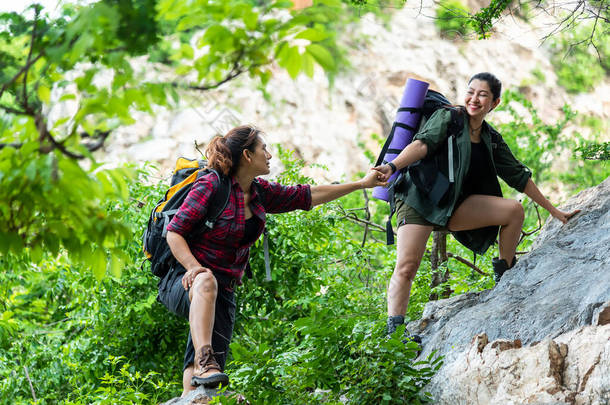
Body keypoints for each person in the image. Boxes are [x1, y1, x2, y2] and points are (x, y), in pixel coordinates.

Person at [157, 124, 387, 396]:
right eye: (263, 148)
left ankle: (190, 397)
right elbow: (174, 232)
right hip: (184, 281)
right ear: (247, 155)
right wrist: (194, 268)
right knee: (206, 290)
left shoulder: (259, 193)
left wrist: (361, 183)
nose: (269, 155)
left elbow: (308, 196)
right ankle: (204, 362)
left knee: (201, 370)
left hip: (224, 291)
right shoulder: (211, 184)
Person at [373, 72, 580, 341]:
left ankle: (505, 279)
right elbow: (422, 145)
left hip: (451, 206)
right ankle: (395, 334)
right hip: (418, 198)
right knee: (407, 266)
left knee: (513, 211)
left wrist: (555, 212)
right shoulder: (449, 117)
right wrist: (392, 166)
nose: (474, 99)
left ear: (495, 103)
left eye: (483, 95)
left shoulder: (490, 137)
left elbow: (519, 176)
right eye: (471, 92)